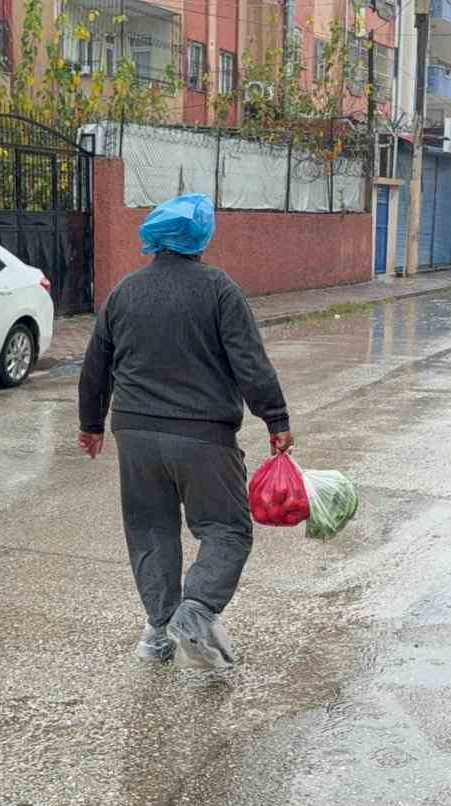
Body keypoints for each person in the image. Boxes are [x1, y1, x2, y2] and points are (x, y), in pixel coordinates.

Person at [77, 194, 293, 670]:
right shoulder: (219, 289)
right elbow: (249, 361)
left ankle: (158, 633)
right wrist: (275, 418)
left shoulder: (124, 292)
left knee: (150, 528)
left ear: (155, 239)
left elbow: (95, 366)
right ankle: (194, 612)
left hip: (135, 432)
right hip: (203, 435)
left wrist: (91, 424)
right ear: (201, 238)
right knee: (226, 529)